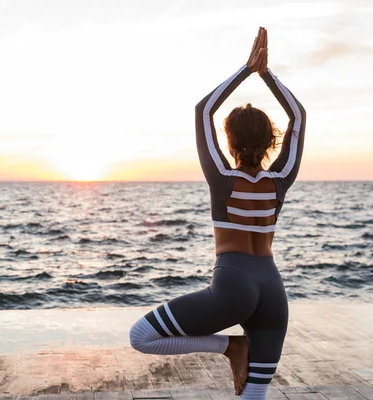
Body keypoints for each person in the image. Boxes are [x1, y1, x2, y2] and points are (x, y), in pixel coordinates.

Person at [128, 26, 306, 399]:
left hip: (232, 287)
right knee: (254, 395)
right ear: (272, 140)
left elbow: (204, 109)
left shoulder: (222, 179)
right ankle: (237, 349)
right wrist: (266, 74)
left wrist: (246, 69)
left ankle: (230, 347)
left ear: (229, 141)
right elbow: (299, 116)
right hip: (273, 291)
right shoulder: (280, 181)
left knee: (141, 336)